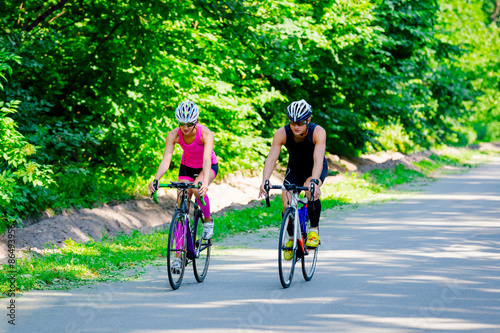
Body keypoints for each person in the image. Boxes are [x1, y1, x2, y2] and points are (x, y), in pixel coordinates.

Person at [259, 99, 327, 258]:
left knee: (310, 190)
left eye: (301, 123)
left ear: (308, 120)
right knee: (286, 204)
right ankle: (291, 238)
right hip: (295, 169)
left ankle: (313, 231)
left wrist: (315, 182)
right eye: (292, 122)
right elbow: (271, 159)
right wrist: (265, 180)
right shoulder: (281, 133)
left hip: (315, 168)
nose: (296, 126)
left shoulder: (318, 132)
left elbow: (318, 160)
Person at [149, 100, 218, 246]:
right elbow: (166, 159)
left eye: (189, 124)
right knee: (181, 203)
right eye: (181, 124)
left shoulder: (206, 133)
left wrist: (204, 182)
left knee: (197, 189)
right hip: (187, 167)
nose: (185, 128)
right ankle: (178, 256)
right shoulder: (173, 134)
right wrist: (156, 179)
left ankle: (208, 220)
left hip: (207, 166)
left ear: (196, 121)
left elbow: (206, 160)